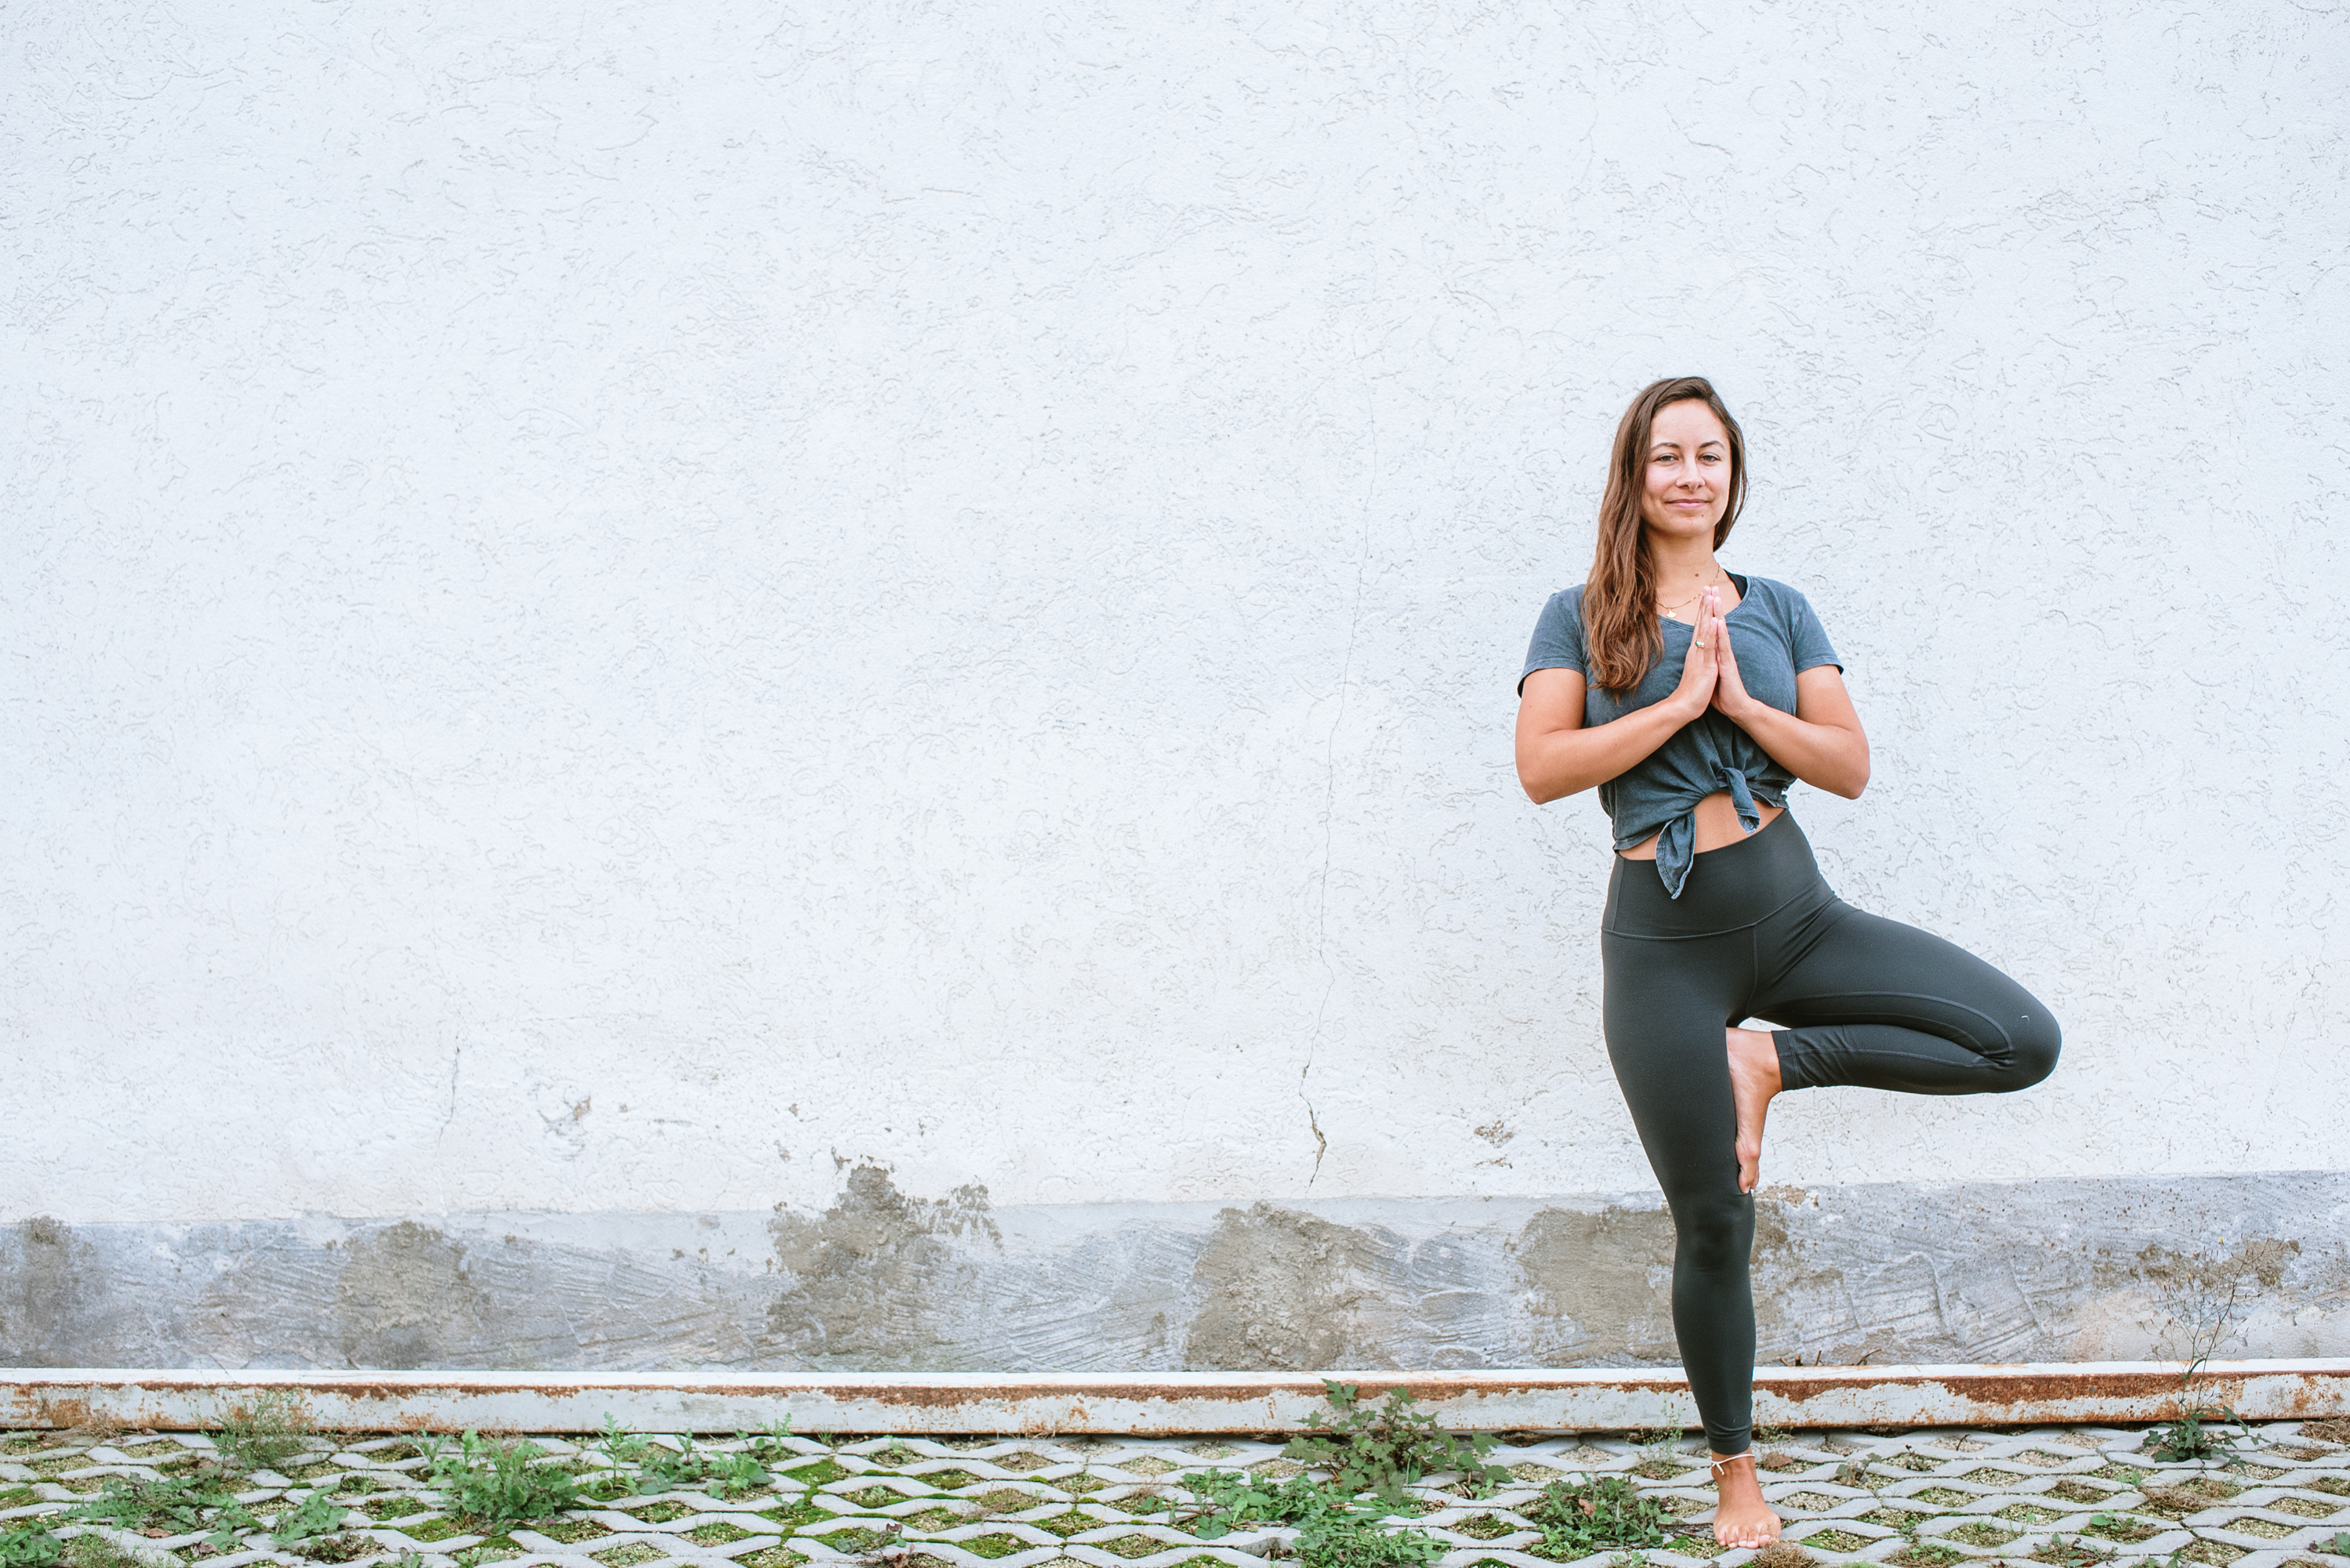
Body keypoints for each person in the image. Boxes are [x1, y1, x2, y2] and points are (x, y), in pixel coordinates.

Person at [1512, 376, 2061, 1547]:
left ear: (1731, 474)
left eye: (1709, 454)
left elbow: (1846, 764)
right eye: (1666, 455)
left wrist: (1745, 705)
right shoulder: (1575, 611)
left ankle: (1771, 1057)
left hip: (1797, 911)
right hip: (1663, 949)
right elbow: (1544, 767)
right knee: (1714, 1220)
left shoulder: (1784, 606)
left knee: (2019, 1040)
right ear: (1633, 472)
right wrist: (1677, 706)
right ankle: (1736, 1482)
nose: (1688, 475)